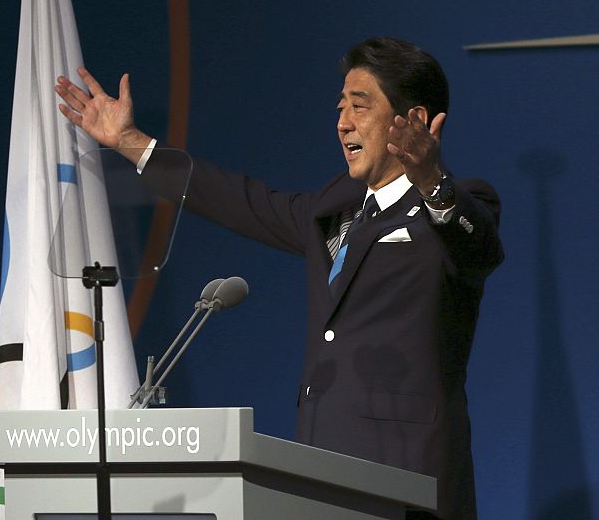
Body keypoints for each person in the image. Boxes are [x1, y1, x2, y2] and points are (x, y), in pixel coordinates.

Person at [55, 37, 503, 520]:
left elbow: (478, 247)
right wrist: (131, 143)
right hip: (321, 472)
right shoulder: (337, 209)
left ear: (413, 121)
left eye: (359, 106)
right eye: (340, 108)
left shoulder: (456, 206)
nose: (343, 122)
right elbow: (239, 200)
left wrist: (432, 177)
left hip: (410, 479)